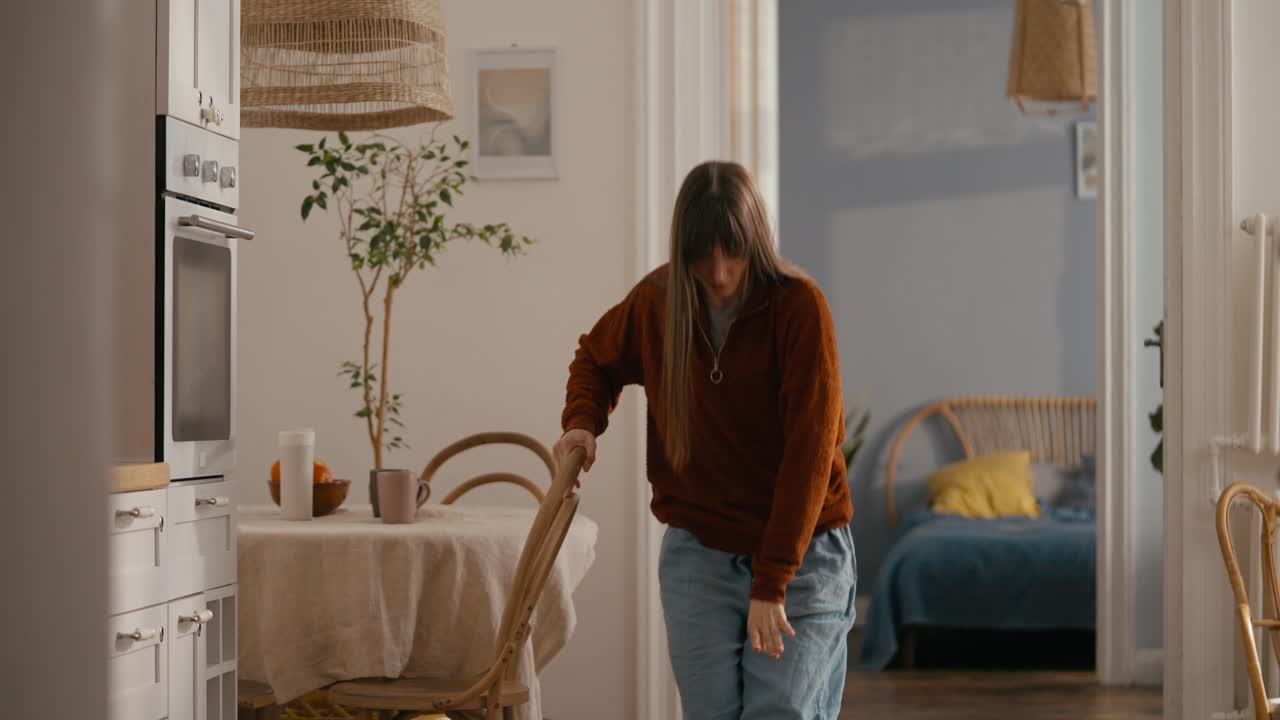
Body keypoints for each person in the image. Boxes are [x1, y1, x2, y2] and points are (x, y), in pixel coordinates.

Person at [554, 160, 856, 719]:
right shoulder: (657, 301)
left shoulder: (798, 308)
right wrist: (582, 422)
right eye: (702, 255)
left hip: (803, 553)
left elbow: (810, 455)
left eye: (733, 252)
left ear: (756, 243)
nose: (718, 273)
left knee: (780, 711)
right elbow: (595, 358)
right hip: (701, 550)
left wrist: (772, 580)